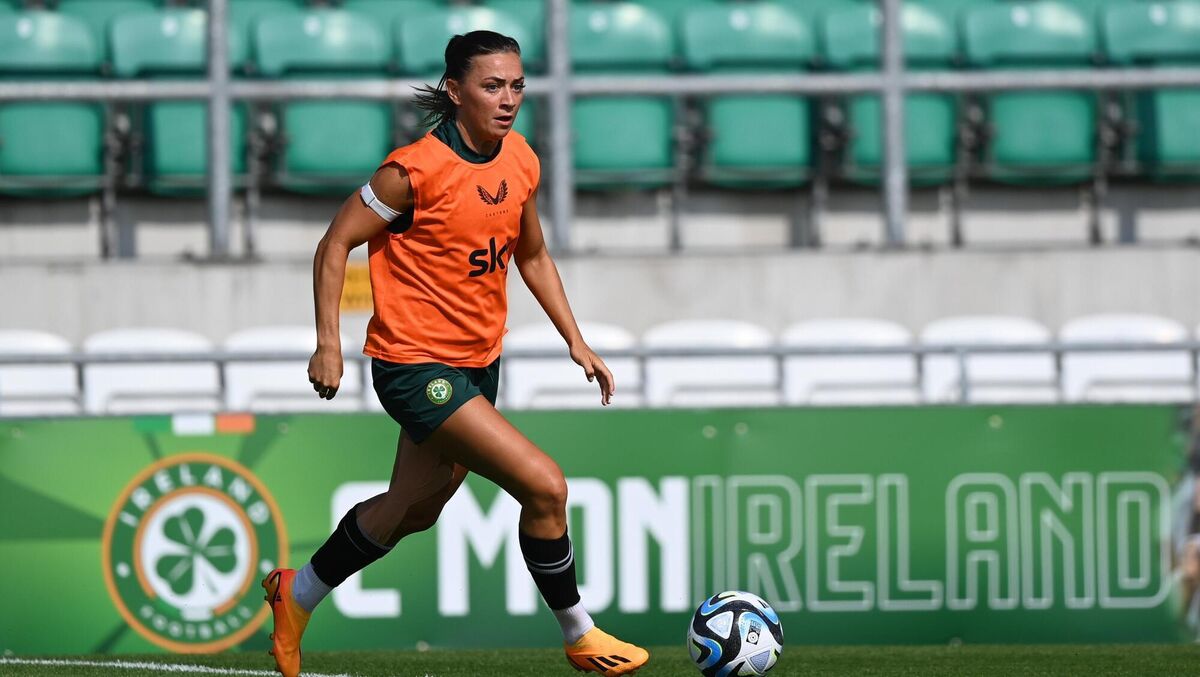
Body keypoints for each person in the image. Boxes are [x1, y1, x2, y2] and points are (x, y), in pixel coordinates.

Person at [261, 31, 649, 677]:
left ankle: (295, 594)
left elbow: (531, 254)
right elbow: (335, 243)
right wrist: (329, 343)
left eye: (517, 85)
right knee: (545, 485)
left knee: (411, 510)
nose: (508, 99)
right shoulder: (413, 170)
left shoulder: (520, 158)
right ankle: (579, 632)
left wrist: (575, 340)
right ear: (455, 90)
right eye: (492, 85)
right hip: (414, 365)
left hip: (476, 364)